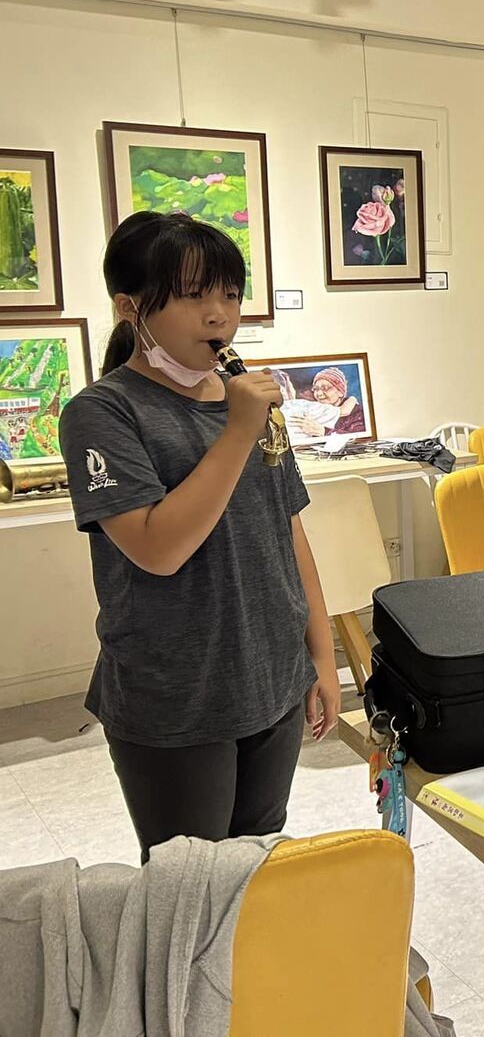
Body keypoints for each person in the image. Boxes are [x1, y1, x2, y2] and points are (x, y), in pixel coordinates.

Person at [59, 212, 341, 863]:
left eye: (230, 294)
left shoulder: (248, 401)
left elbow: (290, 534)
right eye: (192, 295)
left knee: (254, 866)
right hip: (177, 694)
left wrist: (322, 659)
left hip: (271, 675)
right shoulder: (102, 413)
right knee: (187, 886)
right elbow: (157, 549)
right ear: (130, 307)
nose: (219, 315)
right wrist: (238, 430)